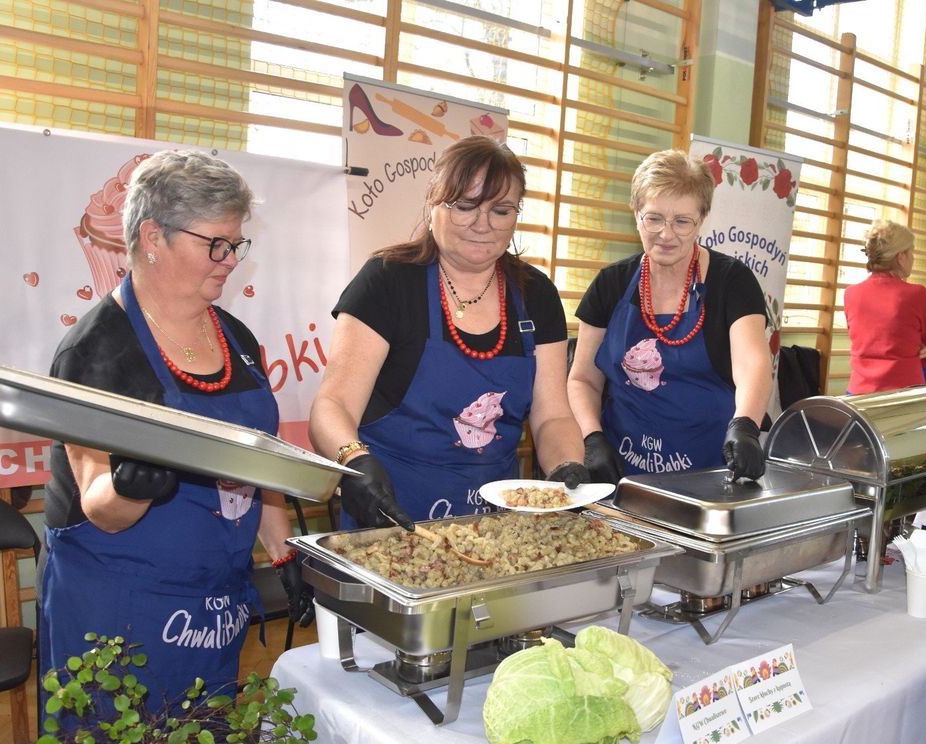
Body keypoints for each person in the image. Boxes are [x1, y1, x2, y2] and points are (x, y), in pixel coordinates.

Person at [40, 150, 313, 718]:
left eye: (236, 244)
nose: (230, 260)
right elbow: (101, 507)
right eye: (215, 244)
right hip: (118, 611)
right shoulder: (96, 351)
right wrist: (135, 484)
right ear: (153, 237)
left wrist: (285, 556)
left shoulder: (237, 337)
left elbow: (258, 465)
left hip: (211, 612)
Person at [310, 136, 586, 527]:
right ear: (433, 203)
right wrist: (354, 461)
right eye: (465, 206)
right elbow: (331, 406)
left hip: (495, 528)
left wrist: (567, 468)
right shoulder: (387, 282)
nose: (482, 224)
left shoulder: (535, 294)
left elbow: (552, 416)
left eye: (501, 210)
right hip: (390, 522)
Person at [567, 150, 771, 482]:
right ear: (636, 214)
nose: (666, 234)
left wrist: (745, 424)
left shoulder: (731, 281)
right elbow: (583, 379)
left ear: (702, 218)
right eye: (654, 218)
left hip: (711, 473)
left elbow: (752, 363)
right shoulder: (611, 283)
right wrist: (592, 438)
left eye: (682, 221)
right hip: (623, 472)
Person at [842, 220, 926, 394]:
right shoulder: (918, 295)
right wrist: (912, 353)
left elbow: (869, 341)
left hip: (858, 395)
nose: (913, 258)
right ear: (901, 256)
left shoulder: (850, 293)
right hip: (902, 397)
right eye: (911, 252)